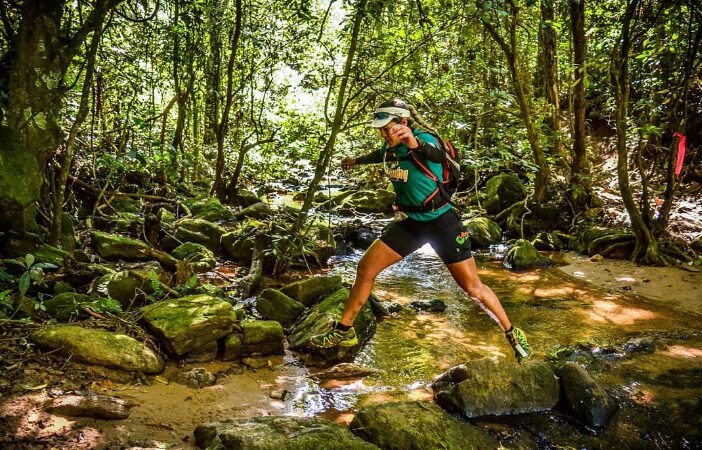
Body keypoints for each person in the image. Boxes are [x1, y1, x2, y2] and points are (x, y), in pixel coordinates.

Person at [310, 98, 532, 362]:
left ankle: (512, 332)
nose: (383, 134)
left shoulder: (425, 140)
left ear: (403, 122)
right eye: (380, 129)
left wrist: (414, 143)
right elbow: (381, 155)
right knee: (365, 268)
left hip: (442, 224)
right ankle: (345, 331)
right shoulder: (389, 147)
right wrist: (355, 161)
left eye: (387, 128)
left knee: (472, 289)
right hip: (413, 224)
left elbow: (436, 155)